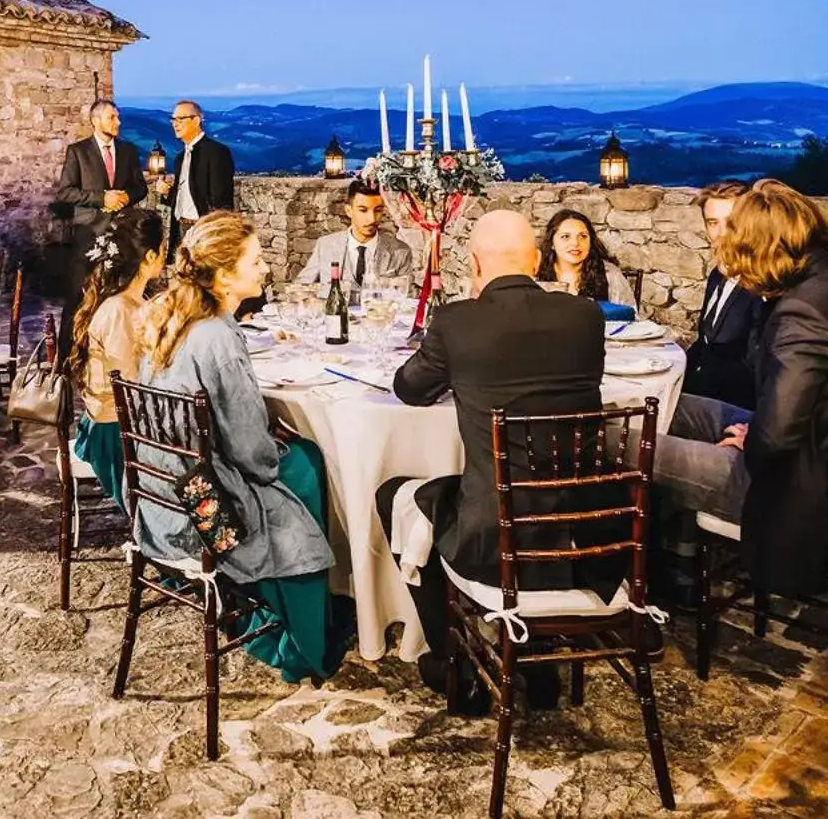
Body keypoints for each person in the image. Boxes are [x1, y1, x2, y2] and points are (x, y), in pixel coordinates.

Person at [374, 210, 617, 712]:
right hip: (583, 530)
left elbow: (410, 389)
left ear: (476, 264)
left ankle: (452, 664)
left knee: (394, 493)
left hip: (495, 534)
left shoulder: (458, 321)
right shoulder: (585, 317)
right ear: (535, 261)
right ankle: (540, 660)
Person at [653, 179, 828, 599]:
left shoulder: (802, 312)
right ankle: (672, 551)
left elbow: (773, 443)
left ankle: (636, 577)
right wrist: (757, 429)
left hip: (797, 488)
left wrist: (746, 441)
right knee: (667, 406)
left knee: (621, 440)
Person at [134, 211, 343, 682]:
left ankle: (287, 608)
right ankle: (304, 639)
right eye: (256, 259)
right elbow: (252, 453)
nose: (266, 268)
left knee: (296, 463)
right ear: (225, 276)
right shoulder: (219, 337)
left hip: (159, 498)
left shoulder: (173, 321)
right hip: (205, 513)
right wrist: (276, 448)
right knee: (307, 466)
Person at [63, 208, 165, 503]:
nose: (164, 256)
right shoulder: (120, 310)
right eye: (162, 249)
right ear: (149, 257)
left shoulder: (129, 300)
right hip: (114, 437)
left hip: (118, 425)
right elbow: (130, 388)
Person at [53, 99, 148, 351]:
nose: (118, 122)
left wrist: (127, 197)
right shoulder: (78, 151)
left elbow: (141, 187)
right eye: (111, 118)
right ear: (95, 121)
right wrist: (101, 198)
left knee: (119, 295)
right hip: (89, 233)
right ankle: (65, 356)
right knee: (78, 295)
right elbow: (66, 192)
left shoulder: (128, 151)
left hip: (121, 233)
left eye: (117, 117)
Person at [683, 181, 767, 408]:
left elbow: (760, 369)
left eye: (732, 223)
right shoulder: (716, 276)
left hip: (738, 408)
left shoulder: (764, 285)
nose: (721, 234)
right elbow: (706, 342)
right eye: (713, 223)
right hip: (703, 392)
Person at [294, 180, 414, 290]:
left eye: (377, 210)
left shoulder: (400, 251)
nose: (372, 219)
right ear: (348, 210)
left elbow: (405, 297)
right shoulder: (325, 245)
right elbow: (301, 287)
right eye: (363, 210)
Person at [154, 101, 235, 250]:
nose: (175, 124)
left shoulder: (217, 152)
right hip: (180, 230)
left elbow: (220, 201)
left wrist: (212, 236)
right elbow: (186, 199)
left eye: (180, 119)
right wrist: (167, 192)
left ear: (196, 120)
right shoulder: (180, 158)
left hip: (204, 232)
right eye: (173, 119)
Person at [535, 208, 637, 308]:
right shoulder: (536, 274)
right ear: (551, 243)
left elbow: (630, 317)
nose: (575, 243)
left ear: (590, 241)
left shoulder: (609, 274)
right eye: (565, 236)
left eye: (583, 236)